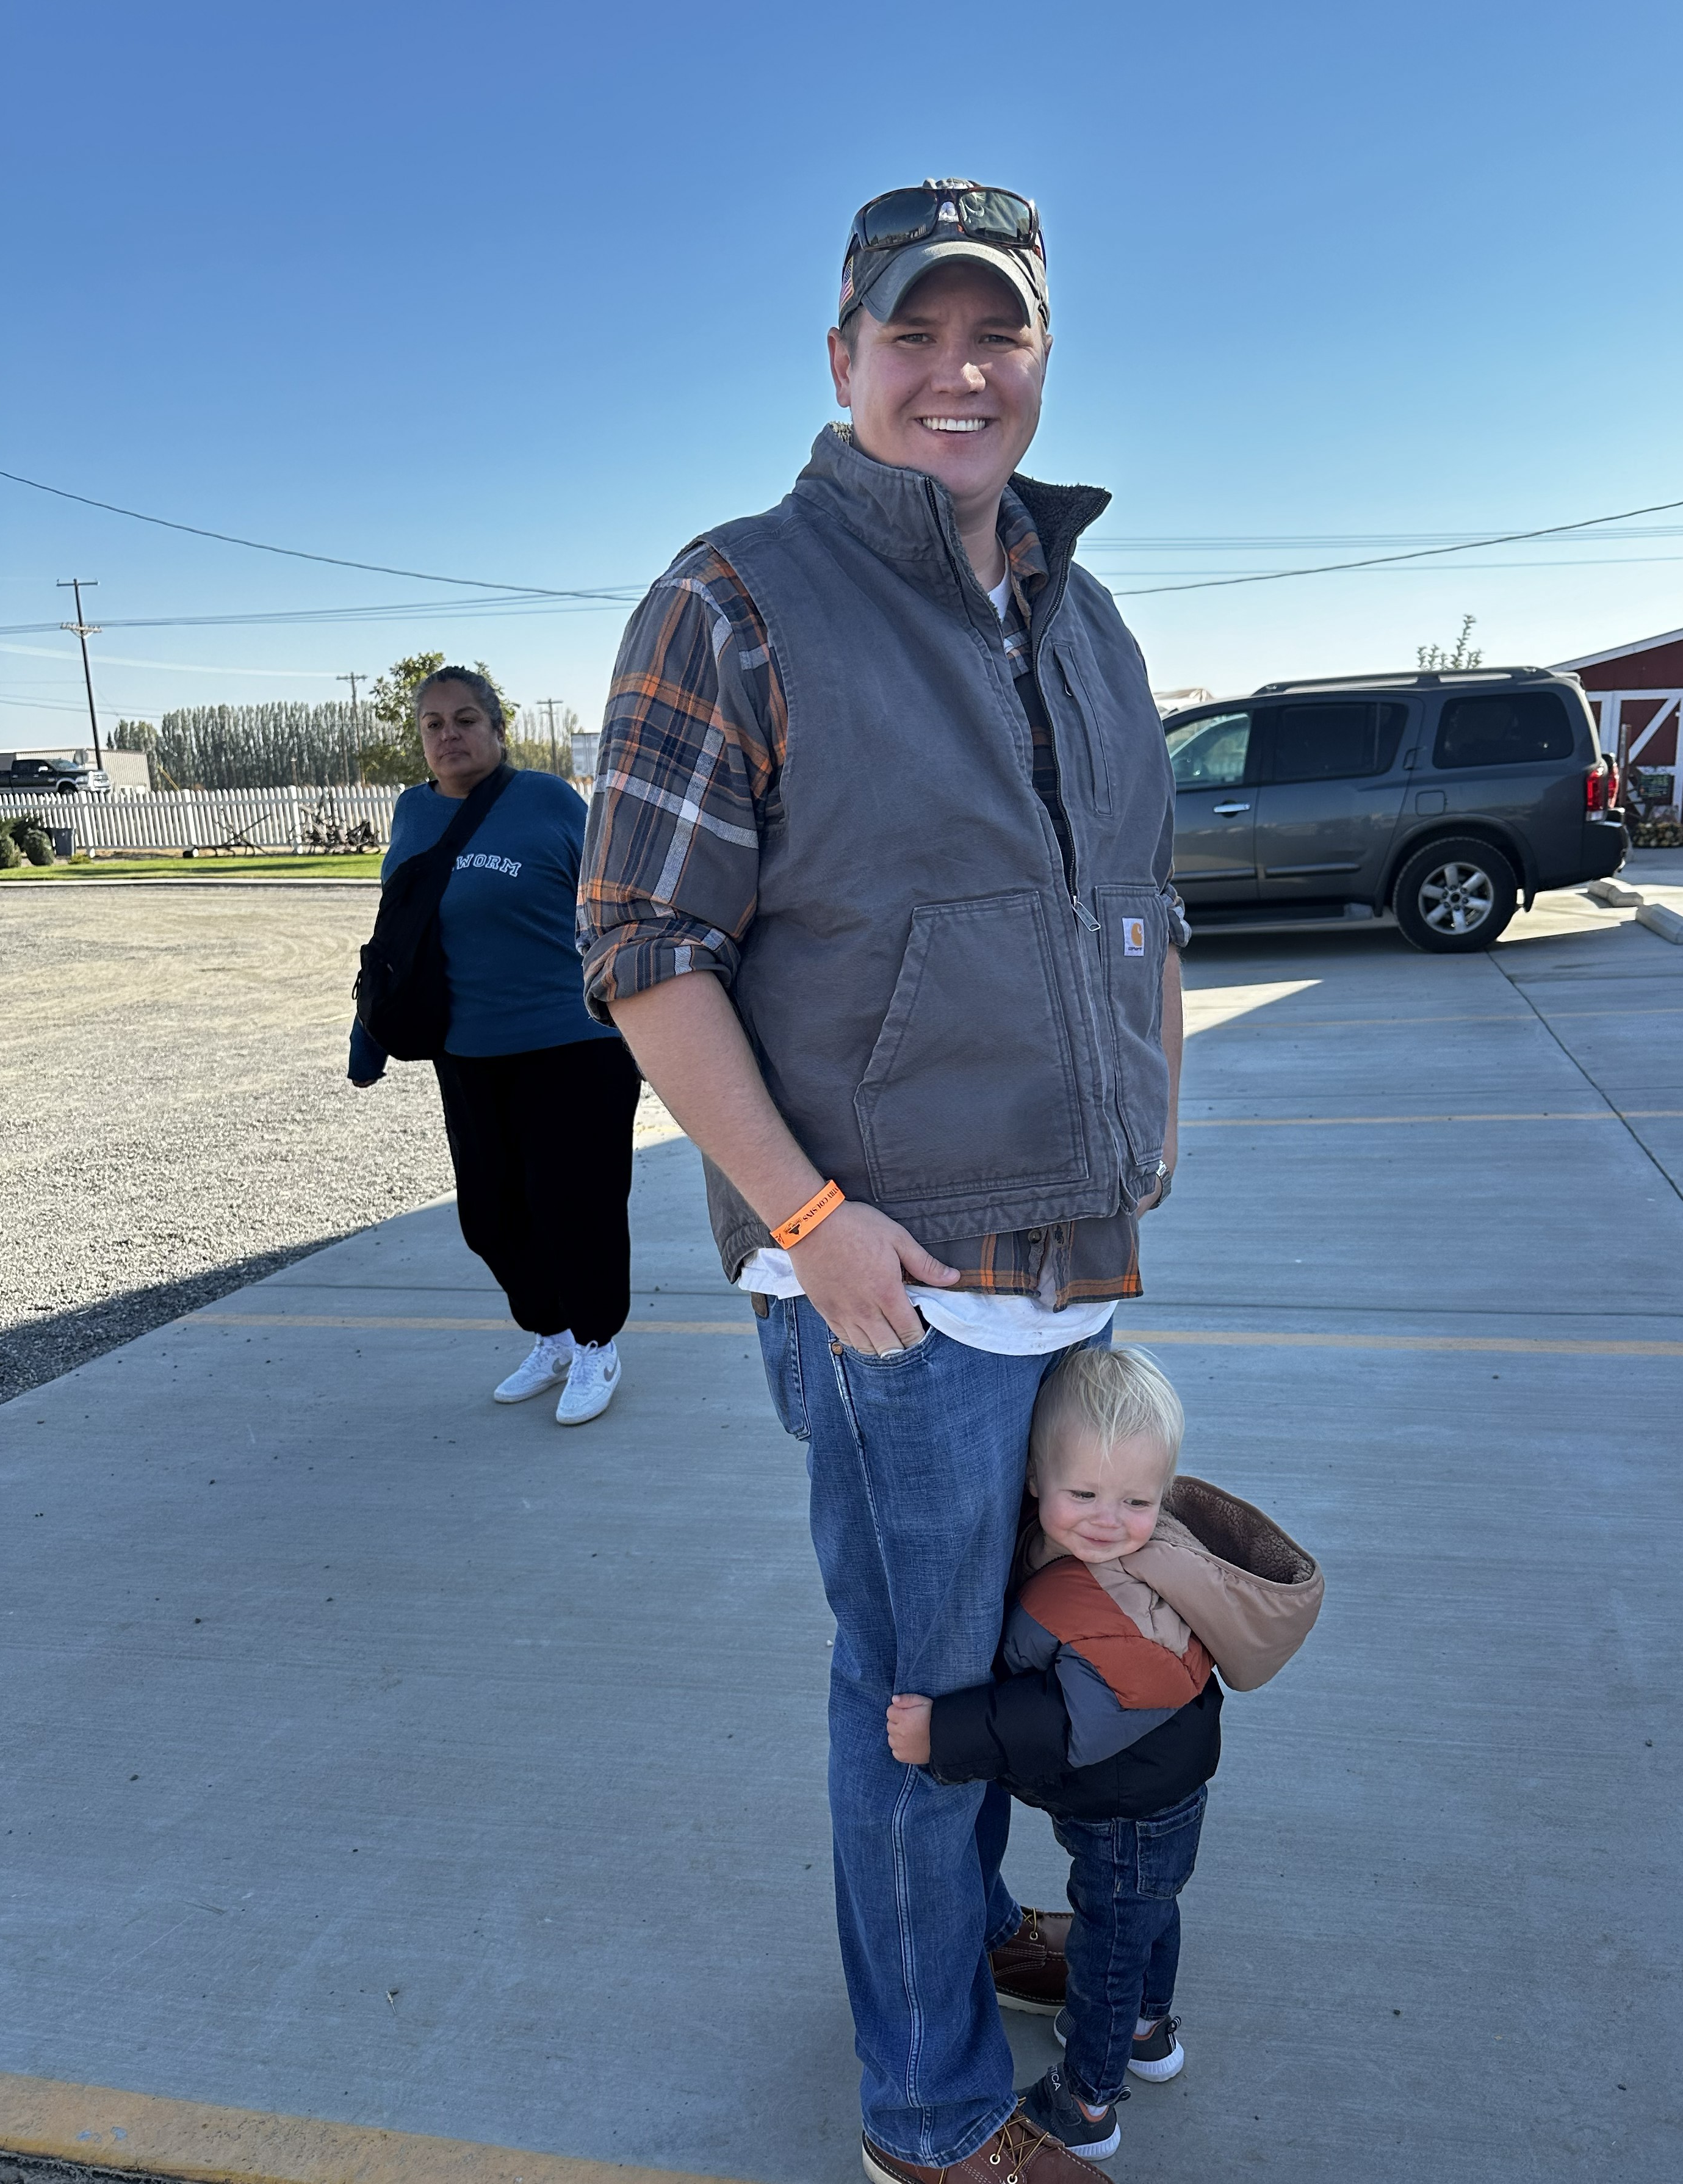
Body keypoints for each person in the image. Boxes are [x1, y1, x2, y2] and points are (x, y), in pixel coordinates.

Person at [578, 179, 1186, 2182]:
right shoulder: (736, 595)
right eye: (909, 335)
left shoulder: (1080, 618)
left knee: (1011, 1666)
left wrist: (1145, 1146)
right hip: (895, 1286)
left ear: (1039, 356)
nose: (955, 372)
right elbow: (645, 944)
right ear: (840, 360)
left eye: (990, 332)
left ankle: (946, 1939)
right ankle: (925, 2112)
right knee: (918, 1692)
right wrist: (814, 1224)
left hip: (1069, 1257)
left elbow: (1133, 913)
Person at [887, 1347, 1229, 2164]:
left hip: (1124, 1807)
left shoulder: (1108, 1600)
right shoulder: (1131, 1559)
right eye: (1086, 1494)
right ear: (1035, 1478)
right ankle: (1147, 2028)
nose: (1109, 1520)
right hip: (1163, 1793)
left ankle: (1086, 2099)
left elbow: (1058, 1722)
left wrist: (945, 1732)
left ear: (1166, 1493)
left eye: (1136, 1500)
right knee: (1150, 1910)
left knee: (1111, 1939)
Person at [351, 667, 640, 1426]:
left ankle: (597, 1341)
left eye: (466, 719)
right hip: (468, 1052)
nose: (450, 735)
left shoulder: (547, 800)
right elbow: (398, 932)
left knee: (575, 1203)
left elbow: (613, 903)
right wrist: (370, 1031)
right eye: (434, 724)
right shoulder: (412, 812)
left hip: (572, 1044)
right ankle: (550, 1334)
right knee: (490, 1213)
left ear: (498, 729)